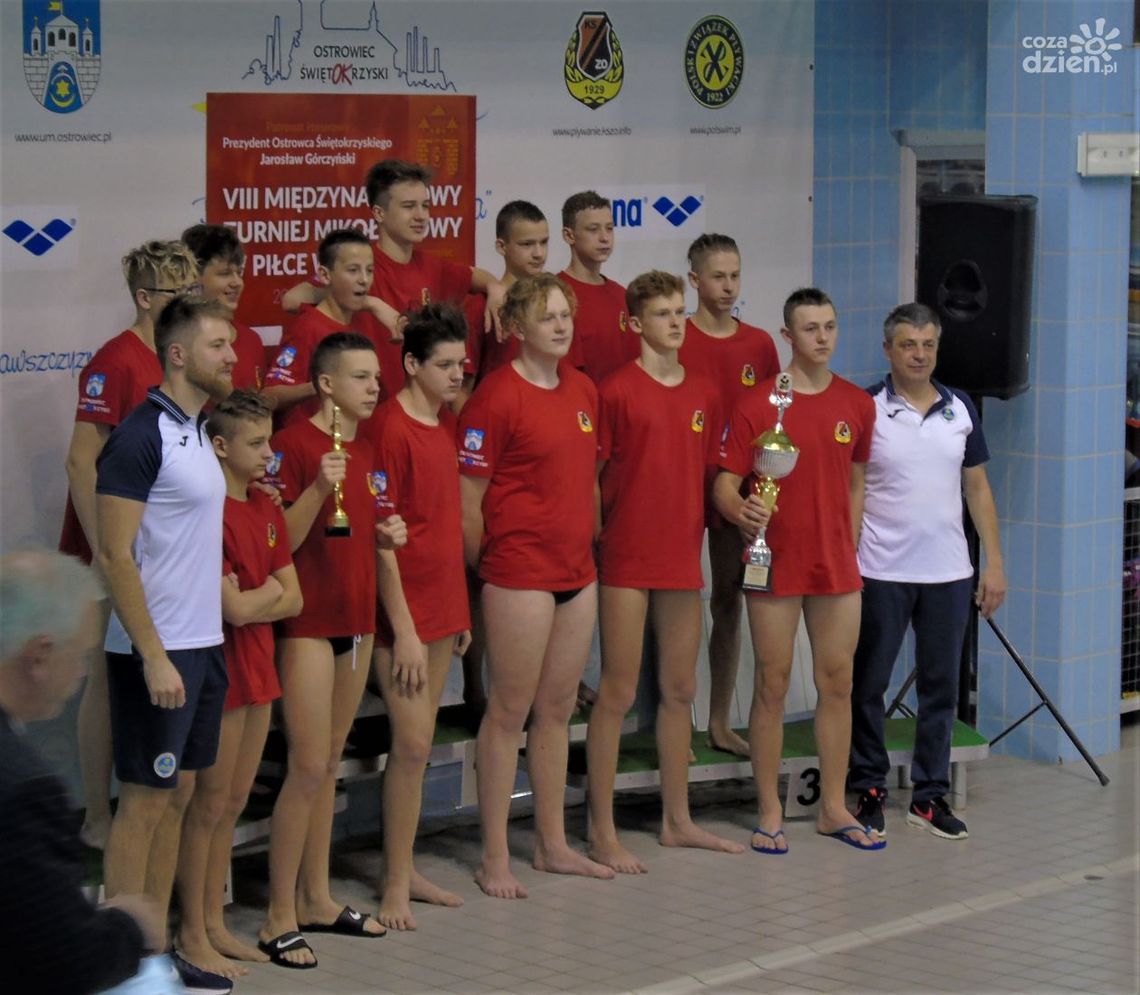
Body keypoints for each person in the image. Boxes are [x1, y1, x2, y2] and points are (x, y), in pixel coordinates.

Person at [95, 296, 238, 993]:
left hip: (203, 642)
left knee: (177, 797)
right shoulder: (138, 435)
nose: (232, 357)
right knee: (143, 801)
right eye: (218, 346)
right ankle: (118, 964)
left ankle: (155, 949)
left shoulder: (200, 431)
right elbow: (117, 556)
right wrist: (152, 652)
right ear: (178, 354)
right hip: (154, 649)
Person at [458, 273, 615, 898]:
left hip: (578, 572)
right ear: (518, 327)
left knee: (555, 712)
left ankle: (552, 843)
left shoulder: (582, 389)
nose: (561, 324)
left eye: (565, 314)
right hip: (518, 572)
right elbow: (469, 499)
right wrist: (486, 567)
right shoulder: (496, 396)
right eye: (547, 316)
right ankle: (494, 853)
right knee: (509, 713)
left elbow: (591, 480)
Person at [714, 288, 883, 854]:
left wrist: (850, 539)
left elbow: (857, 481)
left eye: (829, 326)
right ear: (787, 336)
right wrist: (743, 513)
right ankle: (769, 811)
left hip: (836, 566)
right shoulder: (760, 404)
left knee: (838, 683)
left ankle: (834, 808)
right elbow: (723, 486)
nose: (822, 338)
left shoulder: (858, 405)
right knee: (773, 684)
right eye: (809, 329)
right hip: (773, 561)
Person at [586, 271, 745, 873]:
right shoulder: (616, 391)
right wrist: (593, 545)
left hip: (682, 557)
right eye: (662, 314)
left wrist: (741, 513)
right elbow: (593, 480)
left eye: (680, 311)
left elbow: (712, 479)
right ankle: (601, 829)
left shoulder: (704, 391)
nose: (676, 322)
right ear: (635, 324)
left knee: (681, 690)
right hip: (625, 557)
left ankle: (677, 820)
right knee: (619, 692)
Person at [258, 332, 405, 967]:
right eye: (362, 377)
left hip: (356, 620)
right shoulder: (291, 446)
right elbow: (273, 546)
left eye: (377, 375)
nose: (376, 386)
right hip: (308, 625)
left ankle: (317, 896)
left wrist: (389, 532)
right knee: (308, 768)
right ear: (325, 384)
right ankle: (276, 915)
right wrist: (318, 489)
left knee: (329, 768)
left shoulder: (369, 444)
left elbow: (370, 529)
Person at [60, 239, 200, 850]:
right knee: (104, 678)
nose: (190, 303)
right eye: (178, 294)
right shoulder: (114, 362)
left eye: (194, 292)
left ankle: (155, 798)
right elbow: (79, 464)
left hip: (167, 549)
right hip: (113, 547)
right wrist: (109, 555)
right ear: (145, 299)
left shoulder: (182, 359)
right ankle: (96, 812)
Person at [850, 303, 1007, 840]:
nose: (919, 355)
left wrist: (994, 564)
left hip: (948, 573)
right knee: (869, 683)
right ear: (888, 349)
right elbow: (852, 488)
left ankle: (929, 794)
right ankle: (868, 785)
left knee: (941, 687)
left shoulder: (960, 407)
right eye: (908, 345)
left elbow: (977, 488)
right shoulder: (866, 407)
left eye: (928, 346)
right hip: (880, 569)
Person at [173, 390, 302, 978]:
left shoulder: (267, 508)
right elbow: (238, 609)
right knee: (206, 806)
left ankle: (216, 922)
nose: (269, 453)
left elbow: (288, 596)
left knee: (231, 804)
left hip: (259, 670)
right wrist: (261, 599)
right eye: (257, 443)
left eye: (270, 440)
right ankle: (191, 930)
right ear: (220, 446)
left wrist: (259, 600)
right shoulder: (208, 513)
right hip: (221, 671)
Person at [0, 550, 170, 994]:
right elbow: (65, 962)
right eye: (79, 655)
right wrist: (130, 926)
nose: (80, 672)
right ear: (40, 656)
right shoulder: (25, 791)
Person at [371, 304, 471, 929]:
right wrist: (403, 629)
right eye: (445, 365)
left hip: (442, 601)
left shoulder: (443, 423)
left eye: (462, 363)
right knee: (408, 746)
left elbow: (442, 525)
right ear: (410, 364)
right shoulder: (390, 429)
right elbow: (384, 541)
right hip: (400, 613)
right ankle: (392, 884)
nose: (458, 374)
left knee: (422, 745)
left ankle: (404, 869)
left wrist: (457, 610)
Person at [283, 159, 507, 399]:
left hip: (418, 408)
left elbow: (477, 276)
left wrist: (495, 288)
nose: (421, 216)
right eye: (409, 206)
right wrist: (371, 303)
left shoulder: (433, 266)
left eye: (425, 205)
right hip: (369, 410)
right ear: (379, 213)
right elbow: (291, 300)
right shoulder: (361, 265)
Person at [680, 233, 780, 757]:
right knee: (671, 608)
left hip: (732, 490)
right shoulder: (676, 335)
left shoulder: (759, 345)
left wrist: (758, 496)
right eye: (718, 276)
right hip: (676, 488)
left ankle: (719, 721)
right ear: (694, 279)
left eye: (735, 275)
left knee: (727, 602)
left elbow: (772, 431)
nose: (728, 286)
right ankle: (674, 722)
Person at [457, 200, 551, 715]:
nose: (536, 253)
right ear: (501, 248)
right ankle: (476, 686)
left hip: (539, 457)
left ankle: (539, 686)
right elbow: (460, 391)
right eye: (525, 244)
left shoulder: (553, 301)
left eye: (542, 243)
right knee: (485, 573)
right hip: (490, 459)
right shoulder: (483, 308)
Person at [264, 228, 381, 428]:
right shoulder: (308, 327)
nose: (364, 279)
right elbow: (269, 396)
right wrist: (323, 386)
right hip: (313, 449)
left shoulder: (362, 324)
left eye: (369, 270)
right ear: (325, 275)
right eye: (353, 270)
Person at [559, 190, 639, 385]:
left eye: (609, 228)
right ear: (569, 235)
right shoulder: (556, 294)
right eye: (593, 229)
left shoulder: (621, 294)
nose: (604, 238)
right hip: (580, 409)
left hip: (622, 410)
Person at [181, 224, 266, 391]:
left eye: (239, 273)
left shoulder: (251, 341)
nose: (237, 283)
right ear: (193, 277)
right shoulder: (177, 343)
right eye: (225, 273)